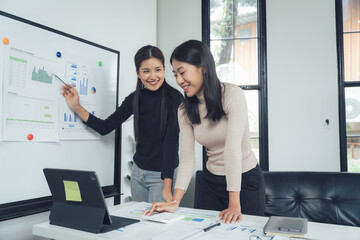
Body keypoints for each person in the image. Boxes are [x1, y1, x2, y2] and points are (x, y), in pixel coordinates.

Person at [147, 40, 265, 223]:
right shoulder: (184, 109)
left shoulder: (232, 95)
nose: (179, 81)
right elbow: (187, 158)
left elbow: (233, 149)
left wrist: (234, 203)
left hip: (245, 180)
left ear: (203, 67)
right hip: (211, 182)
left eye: (182, 72)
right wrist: (175, 200)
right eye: (175, 74)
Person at [61, 45, 184, 203]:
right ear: (138, 73)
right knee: (139, 224)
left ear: (164, 70)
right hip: (138, 173)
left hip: (162, 177)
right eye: (146, 71)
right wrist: (76, 107)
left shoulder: (175, 99)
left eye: (158, 70)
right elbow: (105, 127)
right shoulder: (134, 98)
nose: (153, 76)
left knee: (156, 225)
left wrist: (167, 187)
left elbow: (171, 143)